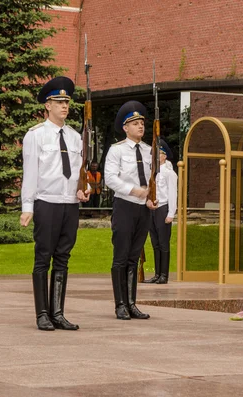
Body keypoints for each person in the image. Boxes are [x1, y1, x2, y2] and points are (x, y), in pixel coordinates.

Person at [20, 76, 90, 331]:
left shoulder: (74, 137)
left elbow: (81, 171)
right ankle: (42, 314)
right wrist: (27, 207)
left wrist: (86, 189)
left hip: (69, 203)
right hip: (46, 202)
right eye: (59, 101)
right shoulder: (35, 136)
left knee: (63, 257)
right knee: (43, 258)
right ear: (47, 105)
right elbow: (30, 173)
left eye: (67, 101)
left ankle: (58, 313)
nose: (65, 106)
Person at [104, 101, 157, 320]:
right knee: (121, 256)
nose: (140, 126)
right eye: (135, 123)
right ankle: (120, 304)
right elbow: (110, 178)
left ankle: (132, 302)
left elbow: (155, 177)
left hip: (143, 208)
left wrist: (152, 197)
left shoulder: (149, 150)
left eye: (142, 123)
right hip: (125, 205)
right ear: (125, 128)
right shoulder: (116, 150)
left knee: (135, 257)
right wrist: (132, 190)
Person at [144, 139, 177, 284]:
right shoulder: (151, 172)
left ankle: (164, 274)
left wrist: (171, 213)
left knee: (163, 243)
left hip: (163, 208)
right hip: (152, 209)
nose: (156, 157)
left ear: (164, 156)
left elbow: (172, 194)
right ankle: (157, 274)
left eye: (158, 154)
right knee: (155, 243)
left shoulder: (169, 173)